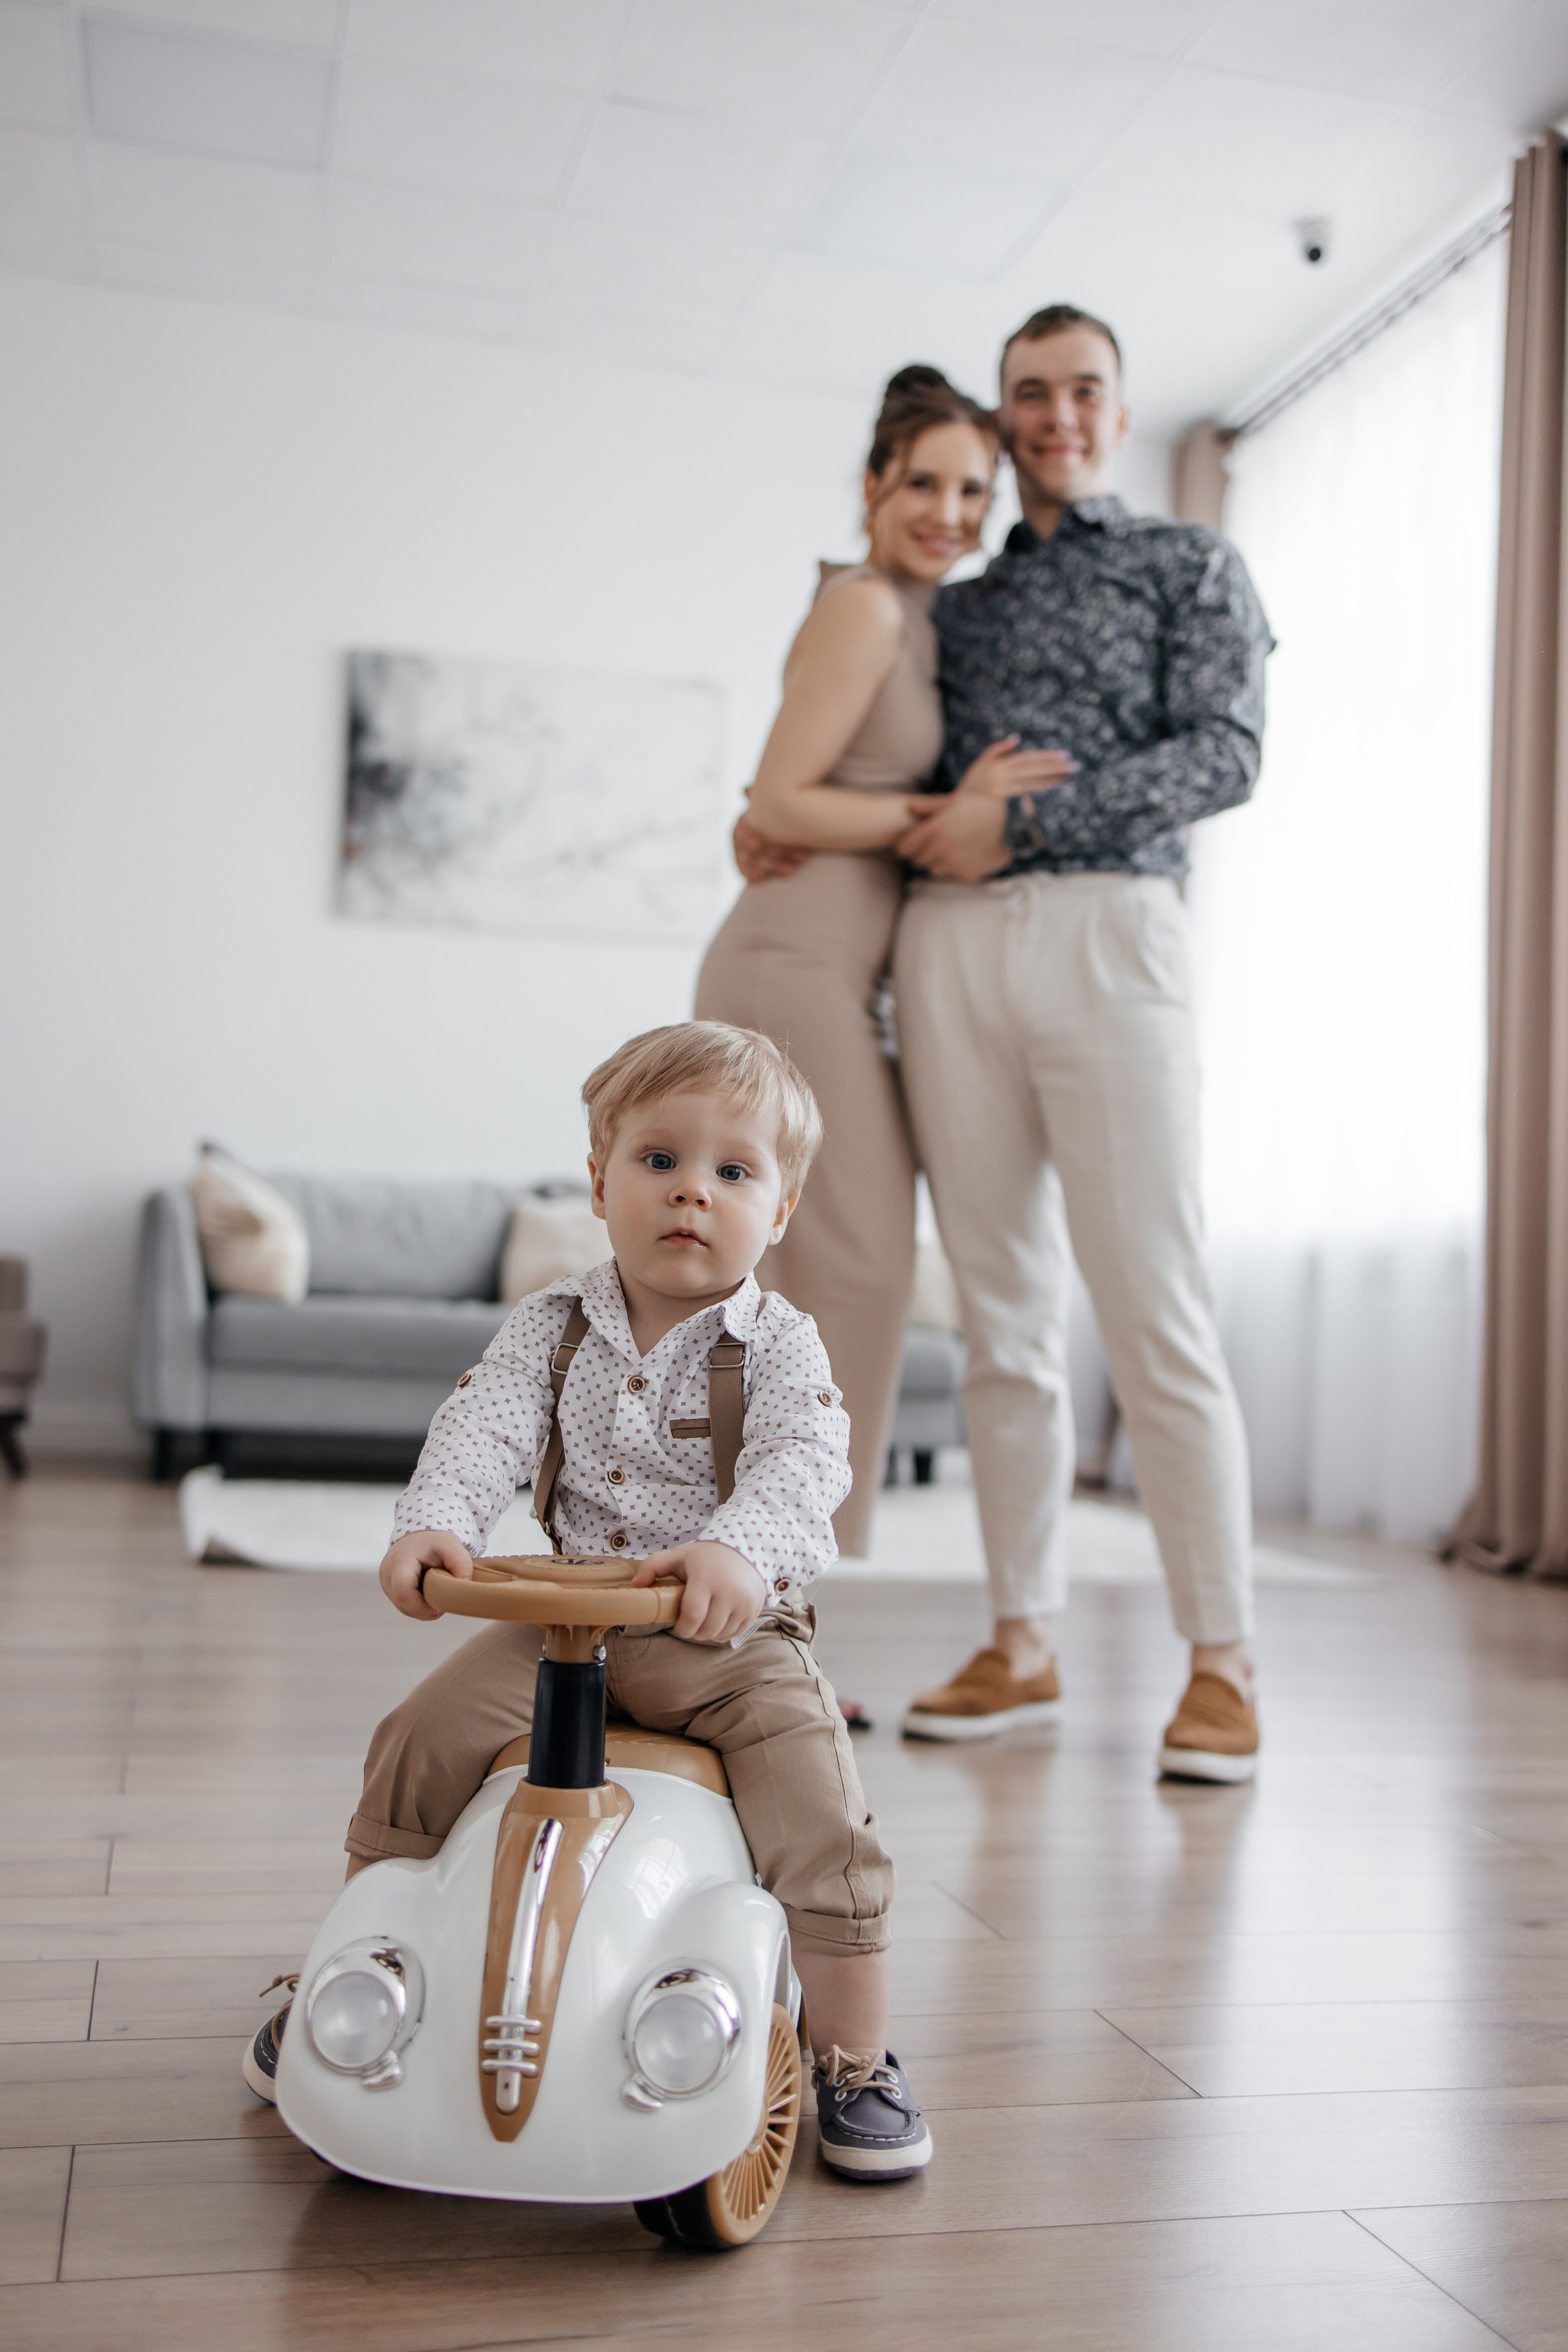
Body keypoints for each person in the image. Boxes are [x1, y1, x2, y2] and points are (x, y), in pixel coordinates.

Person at [243, 1021, 932, 2183]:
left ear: (782, 1208)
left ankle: (855, 2056)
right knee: (417, 1741)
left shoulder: (780, 1346)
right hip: (565, 1623)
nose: (692, 1195)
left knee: (820, 1807)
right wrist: (437, 1525)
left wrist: (735, 1553)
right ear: (600, 1178)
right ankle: (365, 1960)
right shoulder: (552, 1326)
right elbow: (483, 1426)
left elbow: (804, 1466)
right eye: (659, 1161)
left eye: (734, 1171)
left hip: (728, 1637)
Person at [888, 306, 1273, 1781]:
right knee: (999, 1318)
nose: (1055, 415)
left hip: (1115, 931)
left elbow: (1226, 755)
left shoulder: (1189, 563)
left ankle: (1222, 1664)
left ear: (1120, 410)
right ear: (1000, 418)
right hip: (950, 948)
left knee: (1153, 1307)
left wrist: (1023, 819)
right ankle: (1019, 1639)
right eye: (1027, 395)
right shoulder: (956, 603)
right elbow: (894, 770)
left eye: (1082, 391)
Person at [695, 367, 1069, 1564]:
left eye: (974, 489)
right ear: (871, 484)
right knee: (850, 1274)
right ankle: (784, 1584)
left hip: (830, 969)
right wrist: (942, 806)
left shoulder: (917, 616)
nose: (949, 511)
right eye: (923, 481)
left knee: (819, 1282)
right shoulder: (863, 605)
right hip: (790, 963)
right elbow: (778, 797)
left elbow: (797, 801)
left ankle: (758, 1580)